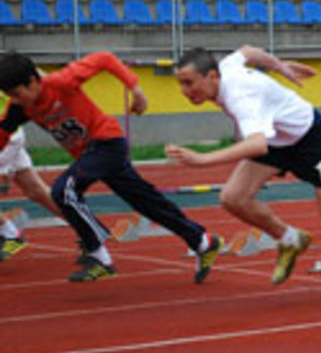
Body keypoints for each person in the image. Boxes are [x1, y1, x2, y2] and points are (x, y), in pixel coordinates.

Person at [166, 46, 321, 301]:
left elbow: (257, 144)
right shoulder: (226, 68)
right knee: (233, 198)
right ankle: (290, 238)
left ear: (212, 76)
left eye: (189, 83)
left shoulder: (239, 96)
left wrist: (203, 159)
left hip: (311, 141)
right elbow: (248, 51)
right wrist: (281, 67)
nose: (185, 91)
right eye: (181, 84)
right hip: (278, 142)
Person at [0, 52, 222, 283]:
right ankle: (203, 241)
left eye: (16, 94)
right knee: (147, 202)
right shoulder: (20, 108)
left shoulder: (62, 82)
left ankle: (99, 255)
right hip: (89, 155)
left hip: (106, 143)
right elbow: (3, 133)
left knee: (63, 190)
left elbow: (104, 58)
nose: (15, 100)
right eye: (8, 96)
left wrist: (136, 89)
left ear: (33, 81)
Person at [0, 128, 65, 262]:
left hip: (7, 138)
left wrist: (3, 173)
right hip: (9, 136)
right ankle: (86, 230)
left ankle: (11, 234)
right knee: (36, 192)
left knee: (37, 192)